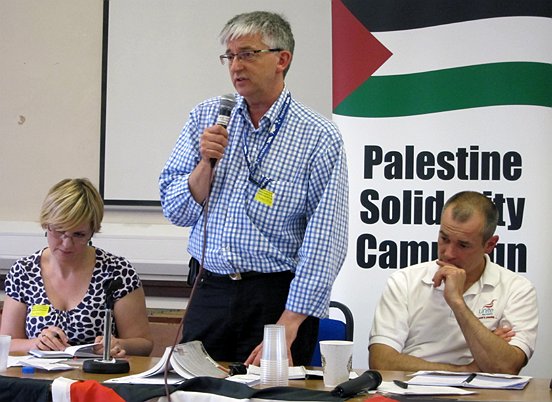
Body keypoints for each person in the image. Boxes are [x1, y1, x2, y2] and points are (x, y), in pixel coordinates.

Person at [159, 11, 348, 366]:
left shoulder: (318, 136)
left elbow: (326, 238)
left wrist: (289, 323)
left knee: (271, 390)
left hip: (275, 298)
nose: (236, 66)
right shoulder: (206, 117)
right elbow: (176, 210)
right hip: (209, 289)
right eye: (229, 56)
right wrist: (205, 164)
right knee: (194, 388)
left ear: (282, 59)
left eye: (247, 54)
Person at [368, 191, 538, 374]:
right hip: (410, 387)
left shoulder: (517, 289)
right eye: (444, 239)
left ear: (489, 245)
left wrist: (457, 303)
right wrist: (465, 370)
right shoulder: (404, 281)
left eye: (463, 245)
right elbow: (380, 362)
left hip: (483, 390)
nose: (448, 253)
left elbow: (507, 367)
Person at [0, 178, 153, 357]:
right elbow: (7, 343)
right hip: (37, 373)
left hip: (96, 372)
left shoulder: (117, 272)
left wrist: (118, 344)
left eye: (79, 235)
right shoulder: (24, 272)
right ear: (46, 225)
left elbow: (144, 344)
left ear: (92, 232)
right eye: (59, 231)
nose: (66, 244)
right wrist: (36, 344)